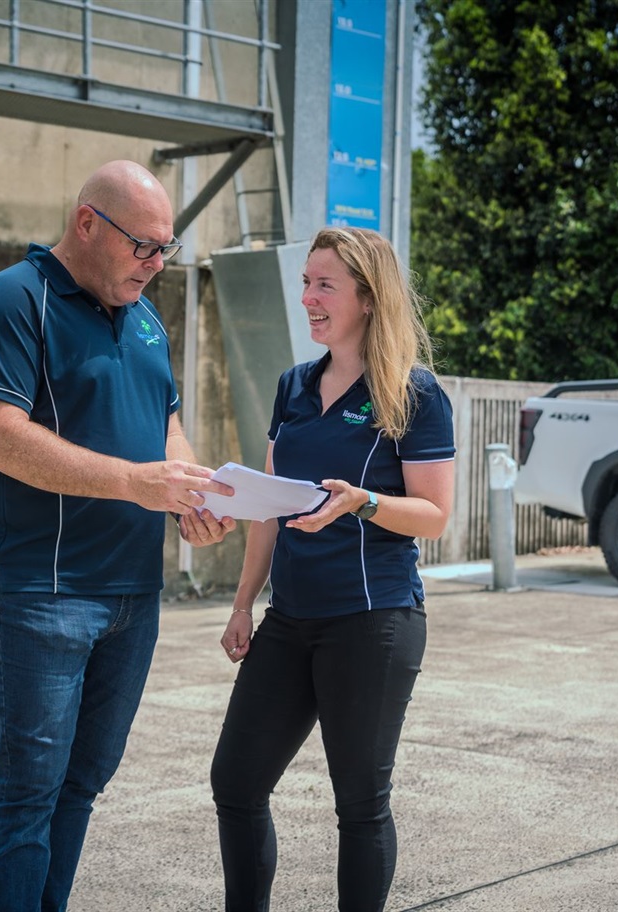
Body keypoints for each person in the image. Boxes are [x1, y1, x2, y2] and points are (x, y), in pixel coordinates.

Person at [0, 159, 236, 912]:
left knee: (83, 781)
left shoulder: (146, 319)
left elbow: (167, 426)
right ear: (87, 224)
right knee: (26, 790)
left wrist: (187, 494)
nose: (155, 264)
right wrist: (133, 482)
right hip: (38, 593)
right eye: (143, 246)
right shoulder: (13, 303)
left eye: (165, 249)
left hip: (131, 595)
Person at [210, 227, 455, 912]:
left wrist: (364, 502)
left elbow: (436, 515)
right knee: (235, 780)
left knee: (360, 804)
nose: (309, 298)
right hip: (290, 619)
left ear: (369, 299)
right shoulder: (294, 384)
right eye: (306, 283)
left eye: (325, 286)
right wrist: (241, 604)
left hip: (372, 621)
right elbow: (267, 507)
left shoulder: (415, 393)